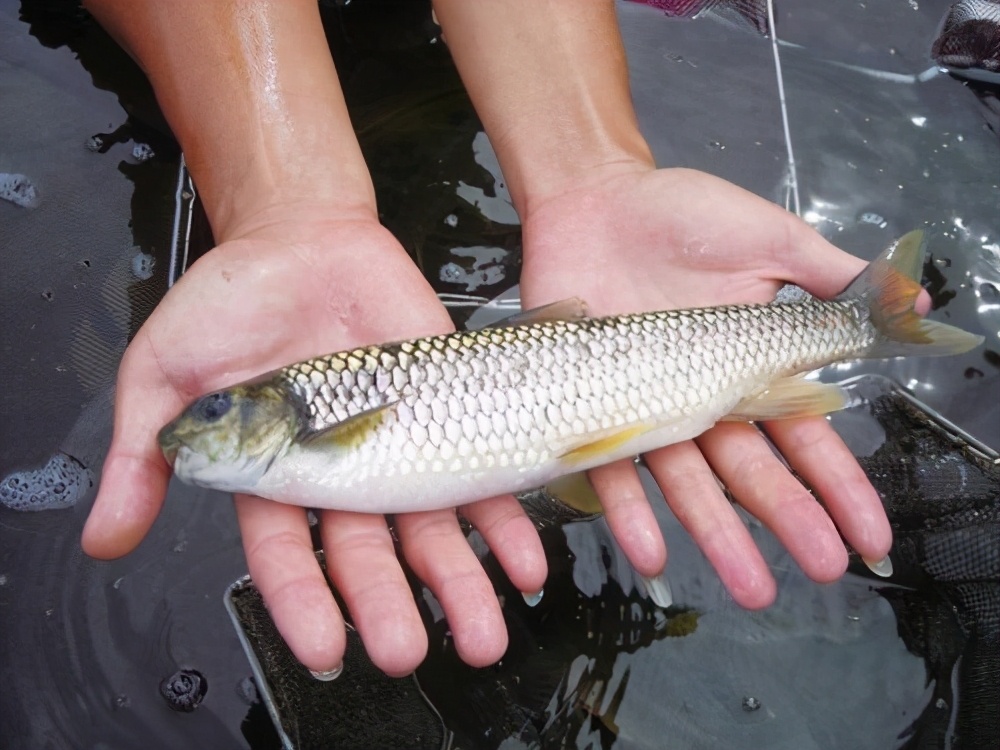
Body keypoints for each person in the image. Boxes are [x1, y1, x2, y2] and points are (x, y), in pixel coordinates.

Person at [81, 0, 898, 680]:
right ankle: (858, 322)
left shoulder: (306, 430)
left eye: (217, 413)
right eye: (216, 414)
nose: (193, 432)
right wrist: (279, 199)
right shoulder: (299, 433)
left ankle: (861, 322)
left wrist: (589, 167)